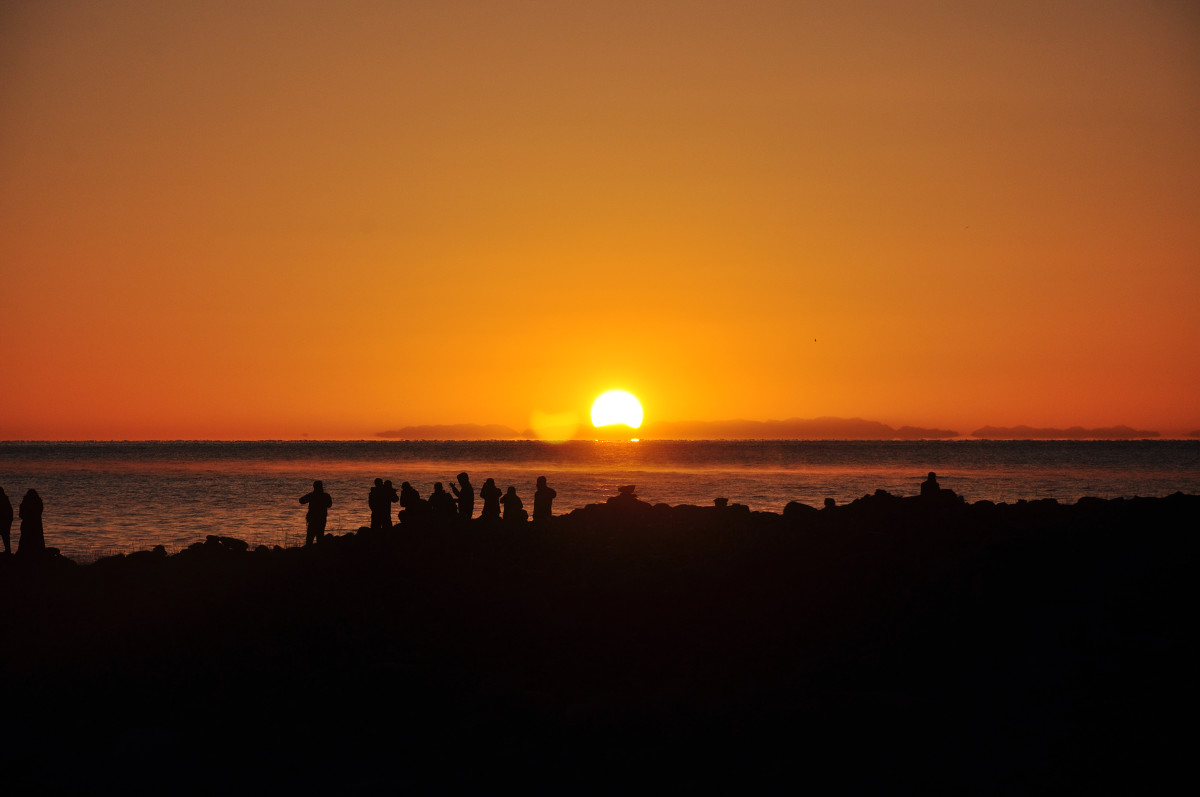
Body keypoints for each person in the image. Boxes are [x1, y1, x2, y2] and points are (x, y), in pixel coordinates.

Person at [300, 481, 333, 546]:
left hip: (313, 519)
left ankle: (309, 550)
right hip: (321, 519)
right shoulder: (325, 496)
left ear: (314, 487)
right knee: (320, 537)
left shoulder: (312, 495)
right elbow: (329, 505)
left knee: (310, 539)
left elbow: (301, 500)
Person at [17, 488, 45, 556]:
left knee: (25, 540)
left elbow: (21, 515)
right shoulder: (39, 503)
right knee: (38, 540)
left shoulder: (24, 503)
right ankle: (39, 554)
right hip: (37, 525)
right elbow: (39, 513)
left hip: (27, 524)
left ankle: (24, 554)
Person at [0, 486, 12, 555]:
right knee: (6, 537)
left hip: (4, 522)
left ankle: (7, 551)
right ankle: (8, 551)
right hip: (6, 522)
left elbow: (9, 512)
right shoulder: (6, 500)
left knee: (5, 537)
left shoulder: (4, 500)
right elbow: (10, 512)